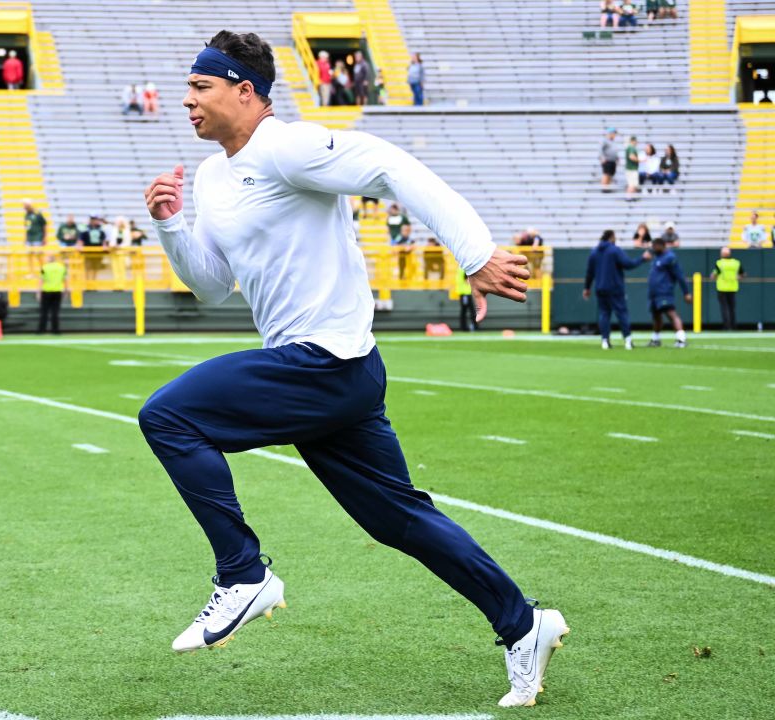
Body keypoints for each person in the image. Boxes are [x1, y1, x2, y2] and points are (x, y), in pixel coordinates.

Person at [143, 30, 561, 709]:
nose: (185, 100)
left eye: (200, 87)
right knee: (397, 519)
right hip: (332, 374)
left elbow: (391, 166)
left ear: (244, 92)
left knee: (169, 415)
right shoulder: (215, 176)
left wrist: (475, 252)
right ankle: (525, 625)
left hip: (325, 362)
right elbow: (213, 285)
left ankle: (244, 575)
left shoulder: (286, 146)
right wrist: (169, 226)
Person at [584, 229, 647, 350]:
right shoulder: (615, 250)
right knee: (622, 313)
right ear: (612, 237)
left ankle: (605, 341)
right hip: (615, 288)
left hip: (600, 288)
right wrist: (642, 259)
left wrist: (587, 288)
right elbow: (628, 264)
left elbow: (589, 273)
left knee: (604, 314)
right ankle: (627, 340)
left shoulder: (594, 252)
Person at [646, 237, 691, 347]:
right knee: (656, 316)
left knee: (671, 314)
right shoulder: (657, 258)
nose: (653, 248)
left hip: (664, 291)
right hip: (654, 293)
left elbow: (680, 276)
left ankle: (681, 339)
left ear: (661, 245)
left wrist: (686, 292)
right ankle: (656, 339)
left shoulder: (670, 257)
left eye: (654, 246)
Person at [710, 247, 744, 331]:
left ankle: (727, 326)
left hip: (722, 288)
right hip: (733, 287)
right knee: (732, 308)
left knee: (724, 308)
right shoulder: (736, 263)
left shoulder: (719, 263)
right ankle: (733, 326)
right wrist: (737, 278)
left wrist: (714, 277)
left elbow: (714, 275)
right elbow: (742, 274)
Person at [37, 252, 66, 334]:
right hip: (58, 291)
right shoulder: (62, 267)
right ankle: (55, 330)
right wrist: (66, 291)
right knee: (55, 312)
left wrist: (38, 291)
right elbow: (65, 280)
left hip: (46, 291)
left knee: (44, 312)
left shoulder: (45, 267)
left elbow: (41, 280)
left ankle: (41, 330)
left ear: (49, 259)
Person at [455, 266, 477, 332]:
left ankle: (464, 327)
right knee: (470, 311)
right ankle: (473, 326)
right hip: (466, 293)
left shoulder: (460, 268)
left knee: (464, 311)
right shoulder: (465, 268)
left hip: (463, 293)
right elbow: (467, 281)